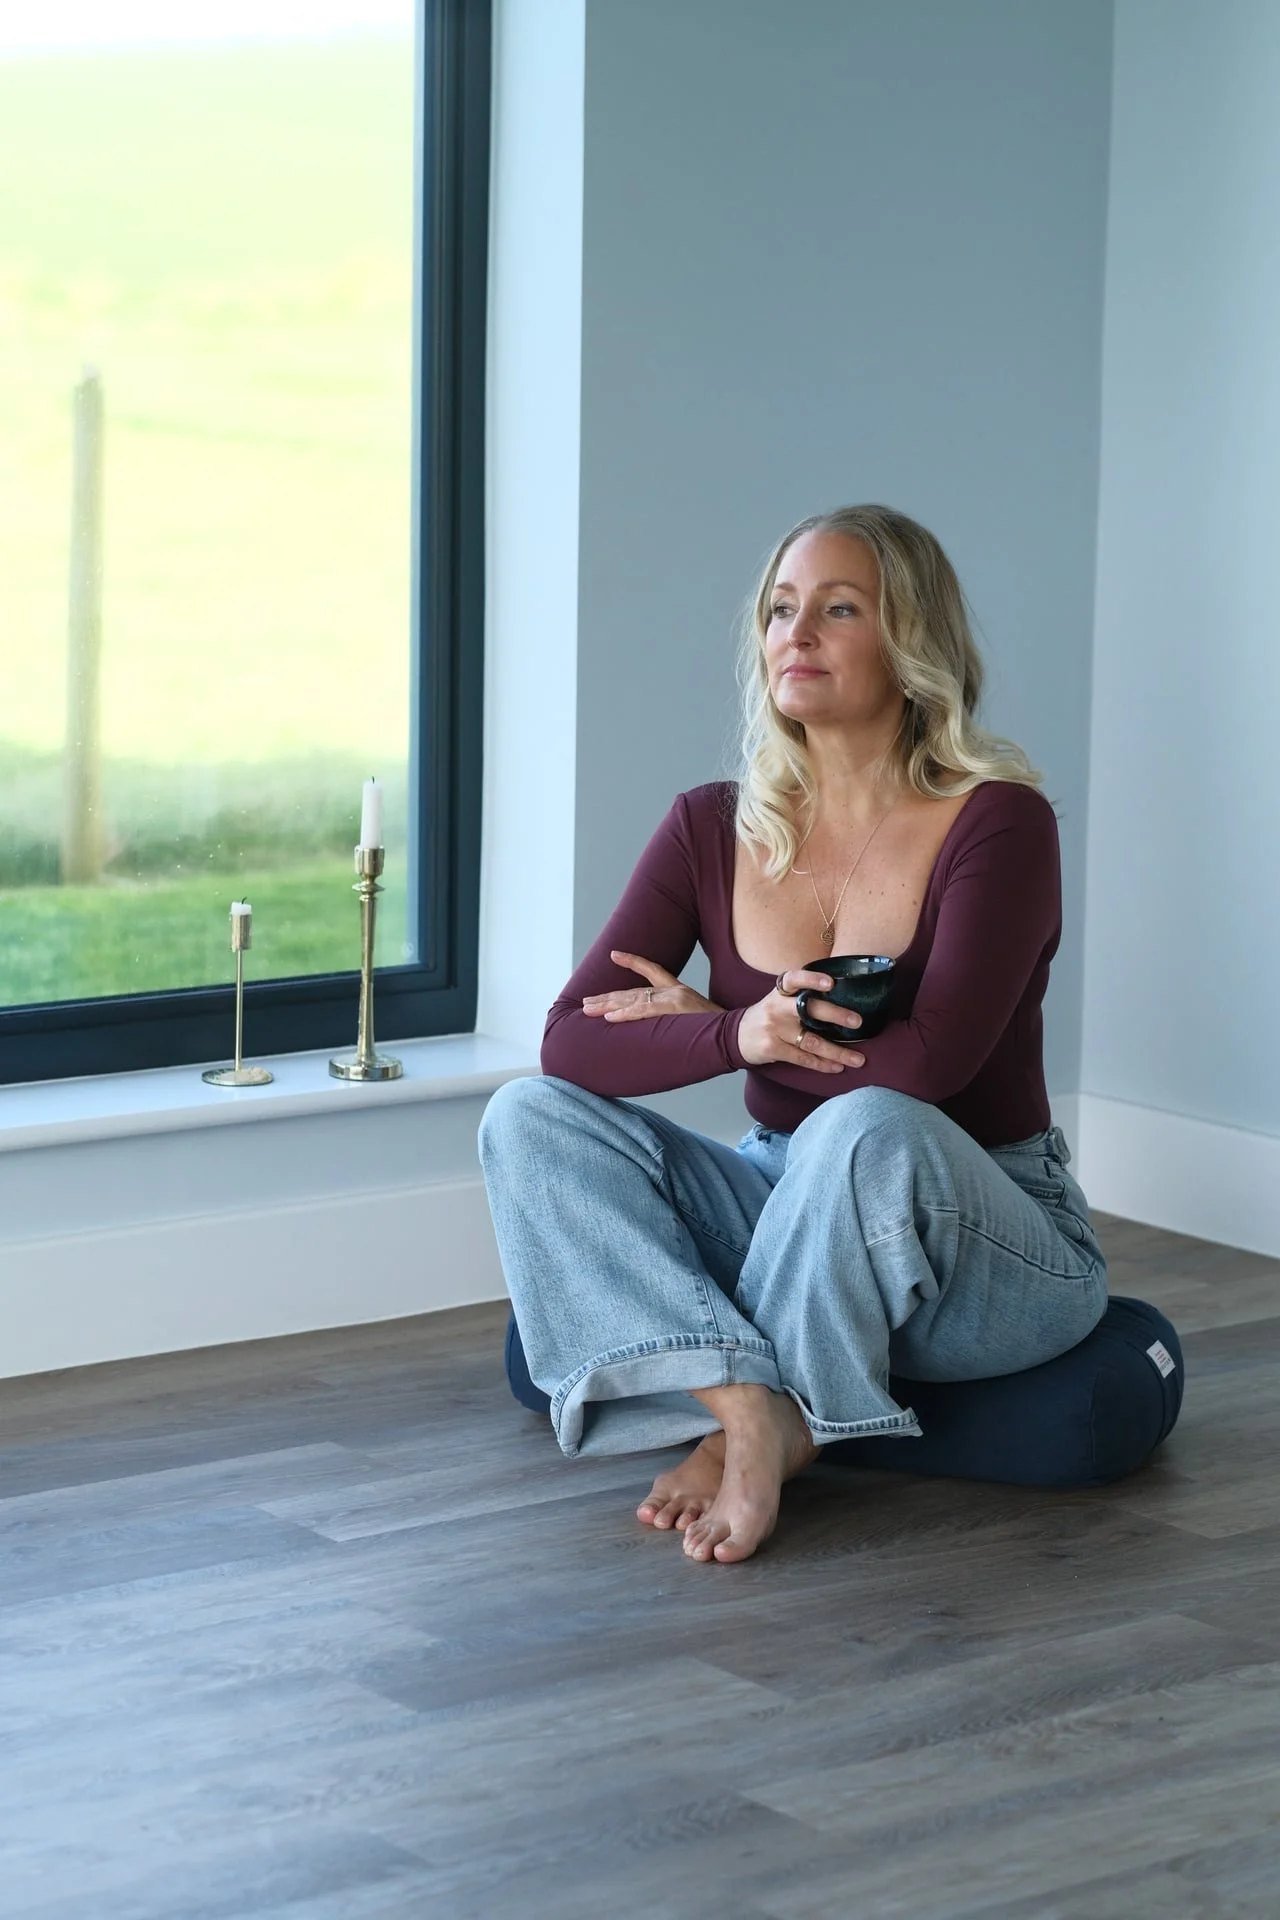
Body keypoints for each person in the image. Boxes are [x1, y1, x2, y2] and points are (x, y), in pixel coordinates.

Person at [478, 504, 1107, 1566]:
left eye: (837, 608)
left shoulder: (996, 821)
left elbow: (929, 1070)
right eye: (778, 610)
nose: (794, 633)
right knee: (527, 1118)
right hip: (783, 1205)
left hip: (979, 1237)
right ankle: (753, 1410)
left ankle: (751, 1414)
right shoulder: (708, 825)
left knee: (867, 1124)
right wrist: (735, 1037)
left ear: (911, 642)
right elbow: (568, 1045)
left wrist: (743, 1033)